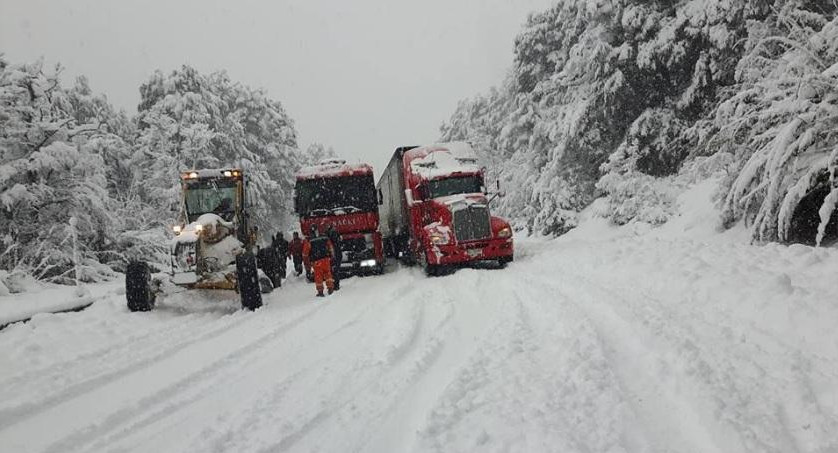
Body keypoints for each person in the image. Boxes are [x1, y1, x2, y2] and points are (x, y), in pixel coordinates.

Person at [302, 224, 335, 297]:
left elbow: (305, 253)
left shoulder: (309, 240)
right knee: (328, 274)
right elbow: (330, 246)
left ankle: (320, 291)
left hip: (316, 261)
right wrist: (332, 256)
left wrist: (306, 262)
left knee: (318, 276)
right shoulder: (324, 237)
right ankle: (330, 288)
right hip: (326, 259)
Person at [325, 224, 342, 291]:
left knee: (334, 270)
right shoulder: (334, 234)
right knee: (334, 270)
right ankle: (335, 284)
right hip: (336, 253)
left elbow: (334, 244)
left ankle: (335, 285)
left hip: (335, 254)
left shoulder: (332, 234)